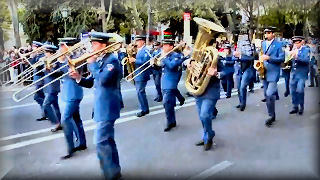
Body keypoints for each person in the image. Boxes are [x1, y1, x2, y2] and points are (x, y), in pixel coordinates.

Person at [69, 31, 122, 179]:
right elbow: (92, 81)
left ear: (104, 45)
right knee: (108, 141)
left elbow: (104, 80)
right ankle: (114, 171)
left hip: (108, 107)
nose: (91, 48)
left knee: (100, 141)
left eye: (94, 44)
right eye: (92, 44)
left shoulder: (112, 60)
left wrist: (91, 63)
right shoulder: (101, 61)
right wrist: (78, 77)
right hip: (101, 107)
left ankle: (109, 173)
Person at [188, 40, 225, 151]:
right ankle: (206, 137)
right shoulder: (196, 56)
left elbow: (226, 72)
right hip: (199, 91)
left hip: (211, 92)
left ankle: (210, 134)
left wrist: (216, 73)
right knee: (202, 117)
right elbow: (185, 62)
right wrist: (189, 64)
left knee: (204, 115)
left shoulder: (216, 57)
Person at [57, 37, 87, 159]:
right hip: (68, 93)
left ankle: (70, 148)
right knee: (76, 119)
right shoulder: (67, 58)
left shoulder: (76, 58)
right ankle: (82, 143)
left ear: (66, 46)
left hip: (74, 93)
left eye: (61, 46)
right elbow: (57, 73)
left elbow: (69, 72)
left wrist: (61, 60)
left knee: (65, 119)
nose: (59, 49)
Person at [156, 39, 187, 132]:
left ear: (171, 47)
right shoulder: (165, 55)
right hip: (165, 80)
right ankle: (172, 120)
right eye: (163, 45)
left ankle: (170, 122)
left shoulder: (176, 56)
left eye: (166, 45)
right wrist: (154, 63)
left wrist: (163, 58)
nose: (164, 47)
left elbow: (171, 66)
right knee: (169, 102)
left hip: (172, 80)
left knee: (166, 102)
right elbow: (161, 65)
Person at [260, 27, 285, 127]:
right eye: (265, 33)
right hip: (264, 72)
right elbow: (261, 55)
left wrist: (269, 58)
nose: (266, 35)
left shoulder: (279, 44)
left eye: (269, 33)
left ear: (273, 34)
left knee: (269, 94)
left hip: (273, 73)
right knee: (267, 96)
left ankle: (271, 116)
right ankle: (272, 115)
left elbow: (281, 58)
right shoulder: (263, 44)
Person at [129, 35, 151, 117]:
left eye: (138, 41)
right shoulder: (138, 50)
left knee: (140, 92)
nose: (136, 43)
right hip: (138, 73)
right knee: (139, 92)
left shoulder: (146, 50)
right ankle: (144, 108)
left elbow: (146, 62)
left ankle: (144, 110)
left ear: (143, 41)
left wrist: (135, 60)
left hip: (142, 74)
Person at [42, 44, 63, 132]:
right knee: (55, 106)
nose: (45, 54)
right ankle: (60, 123)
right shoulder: (47, 60)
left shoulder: (56, 61)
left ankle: (56, 123)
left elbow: (59, 73)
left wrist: (50, 69)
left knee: (46, 105)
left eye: (46, 52)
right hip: (48, 85)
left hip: (53, 87)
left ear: (51, 53)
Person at [289, 36, 310, 115]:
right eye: (295, 43)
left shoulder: (306, 50)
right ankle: (295, 106)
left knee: (300, 90)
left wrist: (297, 56)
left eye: (298, 42)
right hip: (294, 73)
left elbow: (306, 60)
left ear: (302, 42)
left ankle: (301, 106)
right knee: (293, 91)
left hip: (302, 73)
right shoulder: (293, 50)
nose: (296, 44)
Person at [234, 39, 255, 111]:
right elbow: (233, 58)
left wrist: (240, 56)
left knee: (243, 87)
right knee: (239, 87)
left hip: (247, 69)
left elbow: (251, 58)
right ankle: (241, 102)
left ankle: (243, 104)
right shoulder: (237, 49)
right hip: (239, 70)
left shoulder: (250, 49)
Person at [29, 41, 47, 121]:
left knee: (37, 97)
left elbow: (38, 67)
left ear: (38, 48)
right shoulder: (37, 56)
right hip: (37, 78)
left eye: (34, 47)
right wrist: (32, 57)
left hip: (40, 78)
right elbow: (31, 64)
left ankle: (48, 111)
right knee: (41, 96)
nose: (33, 48)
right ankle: (45, 113)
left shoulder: (42, 56)